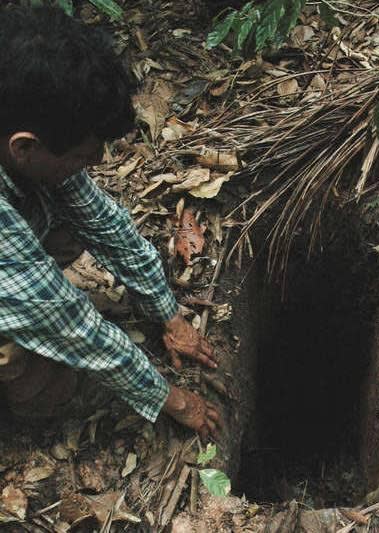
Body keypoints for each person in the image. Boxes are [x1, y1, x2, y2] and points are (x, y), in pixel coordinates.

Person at [0, 5, 221, 441]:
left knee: (60, 203)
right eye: (83, 155)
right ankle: (24, 417)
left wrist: (169, 315)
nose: (97, 163)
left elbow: (104, 223)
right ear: (24, 148)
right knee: (34, 370)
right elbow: (71, 322)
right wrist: (168, 398)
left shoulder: (21, 126)